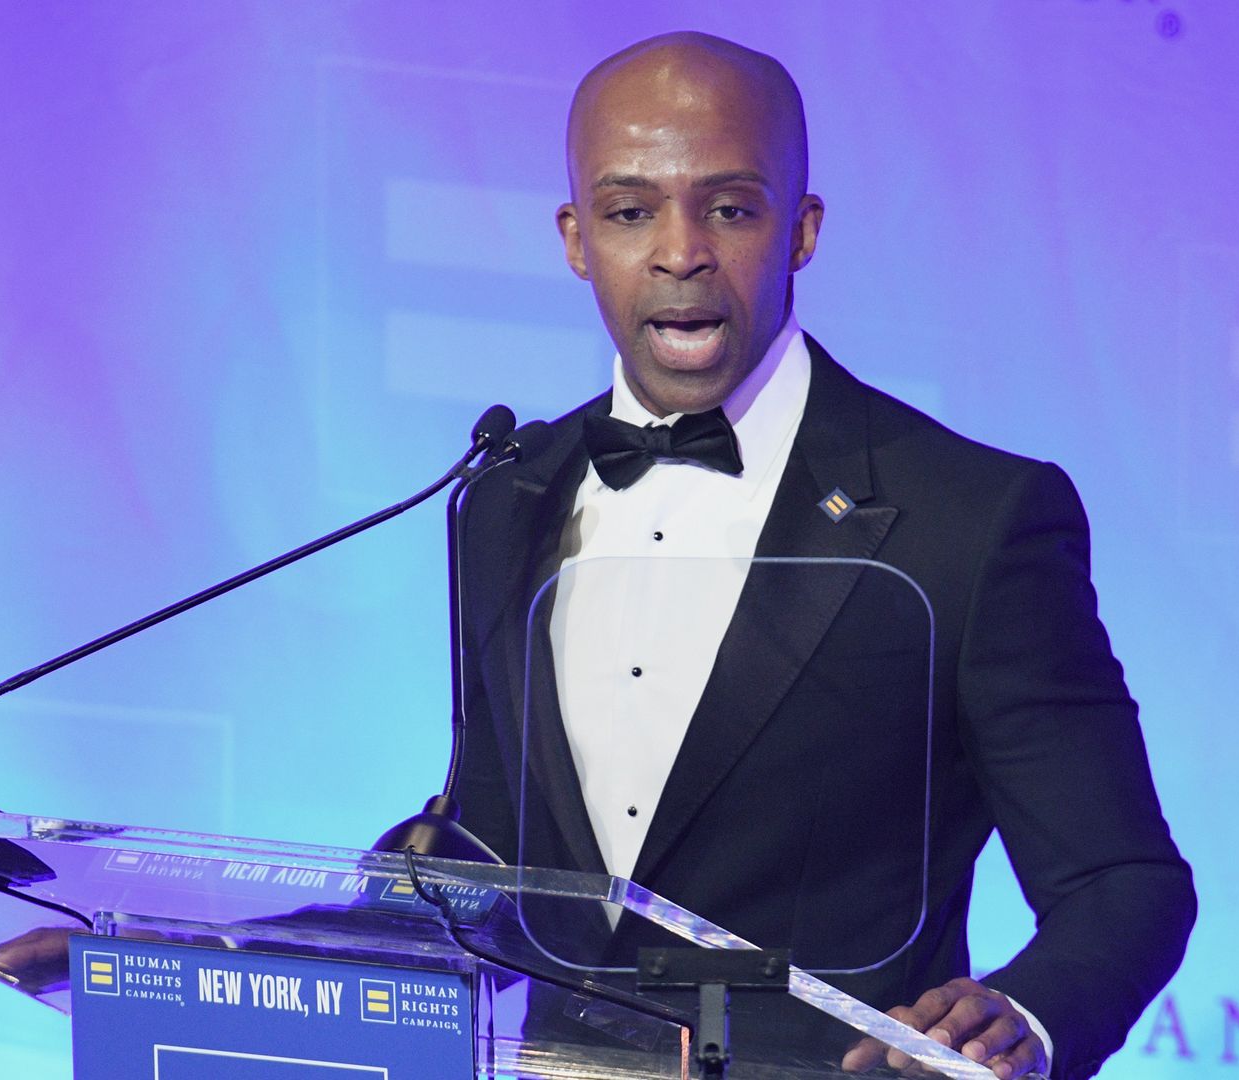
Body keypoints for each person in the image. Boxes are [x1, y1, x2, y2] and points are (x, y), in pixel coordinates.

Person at [447, 31, 1195, 1080]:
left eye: (731, 207)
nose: (679, 250)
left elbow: (1123, 882)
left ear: (801, 230)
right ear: (576, 238)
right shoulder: (505, 496)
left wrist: (1020, 1021)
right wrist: (305, 929)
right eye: (630, 211)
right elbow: (492, 837)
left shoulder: (971, 519)